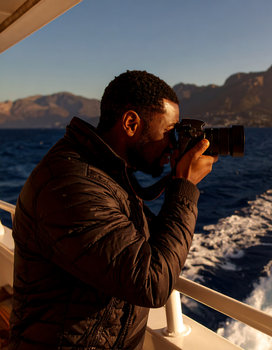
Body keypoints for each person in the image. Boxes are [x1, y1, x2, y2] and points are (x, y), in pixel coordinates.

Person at [10, 70, 217, 349]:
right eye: (169, 132)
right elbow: (151, 283)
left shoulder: (104, 173)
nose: (174, 143)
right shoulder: (70, 185)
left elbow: (143, 242)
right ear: (131, 123)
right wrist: (184, 187)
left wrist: (181, 181)